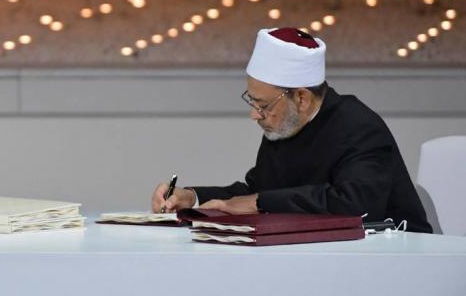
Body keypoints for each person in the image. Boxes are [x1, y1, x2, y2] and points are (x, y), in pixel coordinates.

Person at [152, 27, 432, 233]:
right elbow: (259, 191)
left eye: (262, 104)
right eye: (253, 102)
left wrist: (260, 202)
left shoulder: (359, 127)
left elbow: (355, 205)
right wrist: (192, 198)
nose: (254, 114)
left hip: (395, 259)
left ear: (301, 98)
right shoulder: (285, 122)